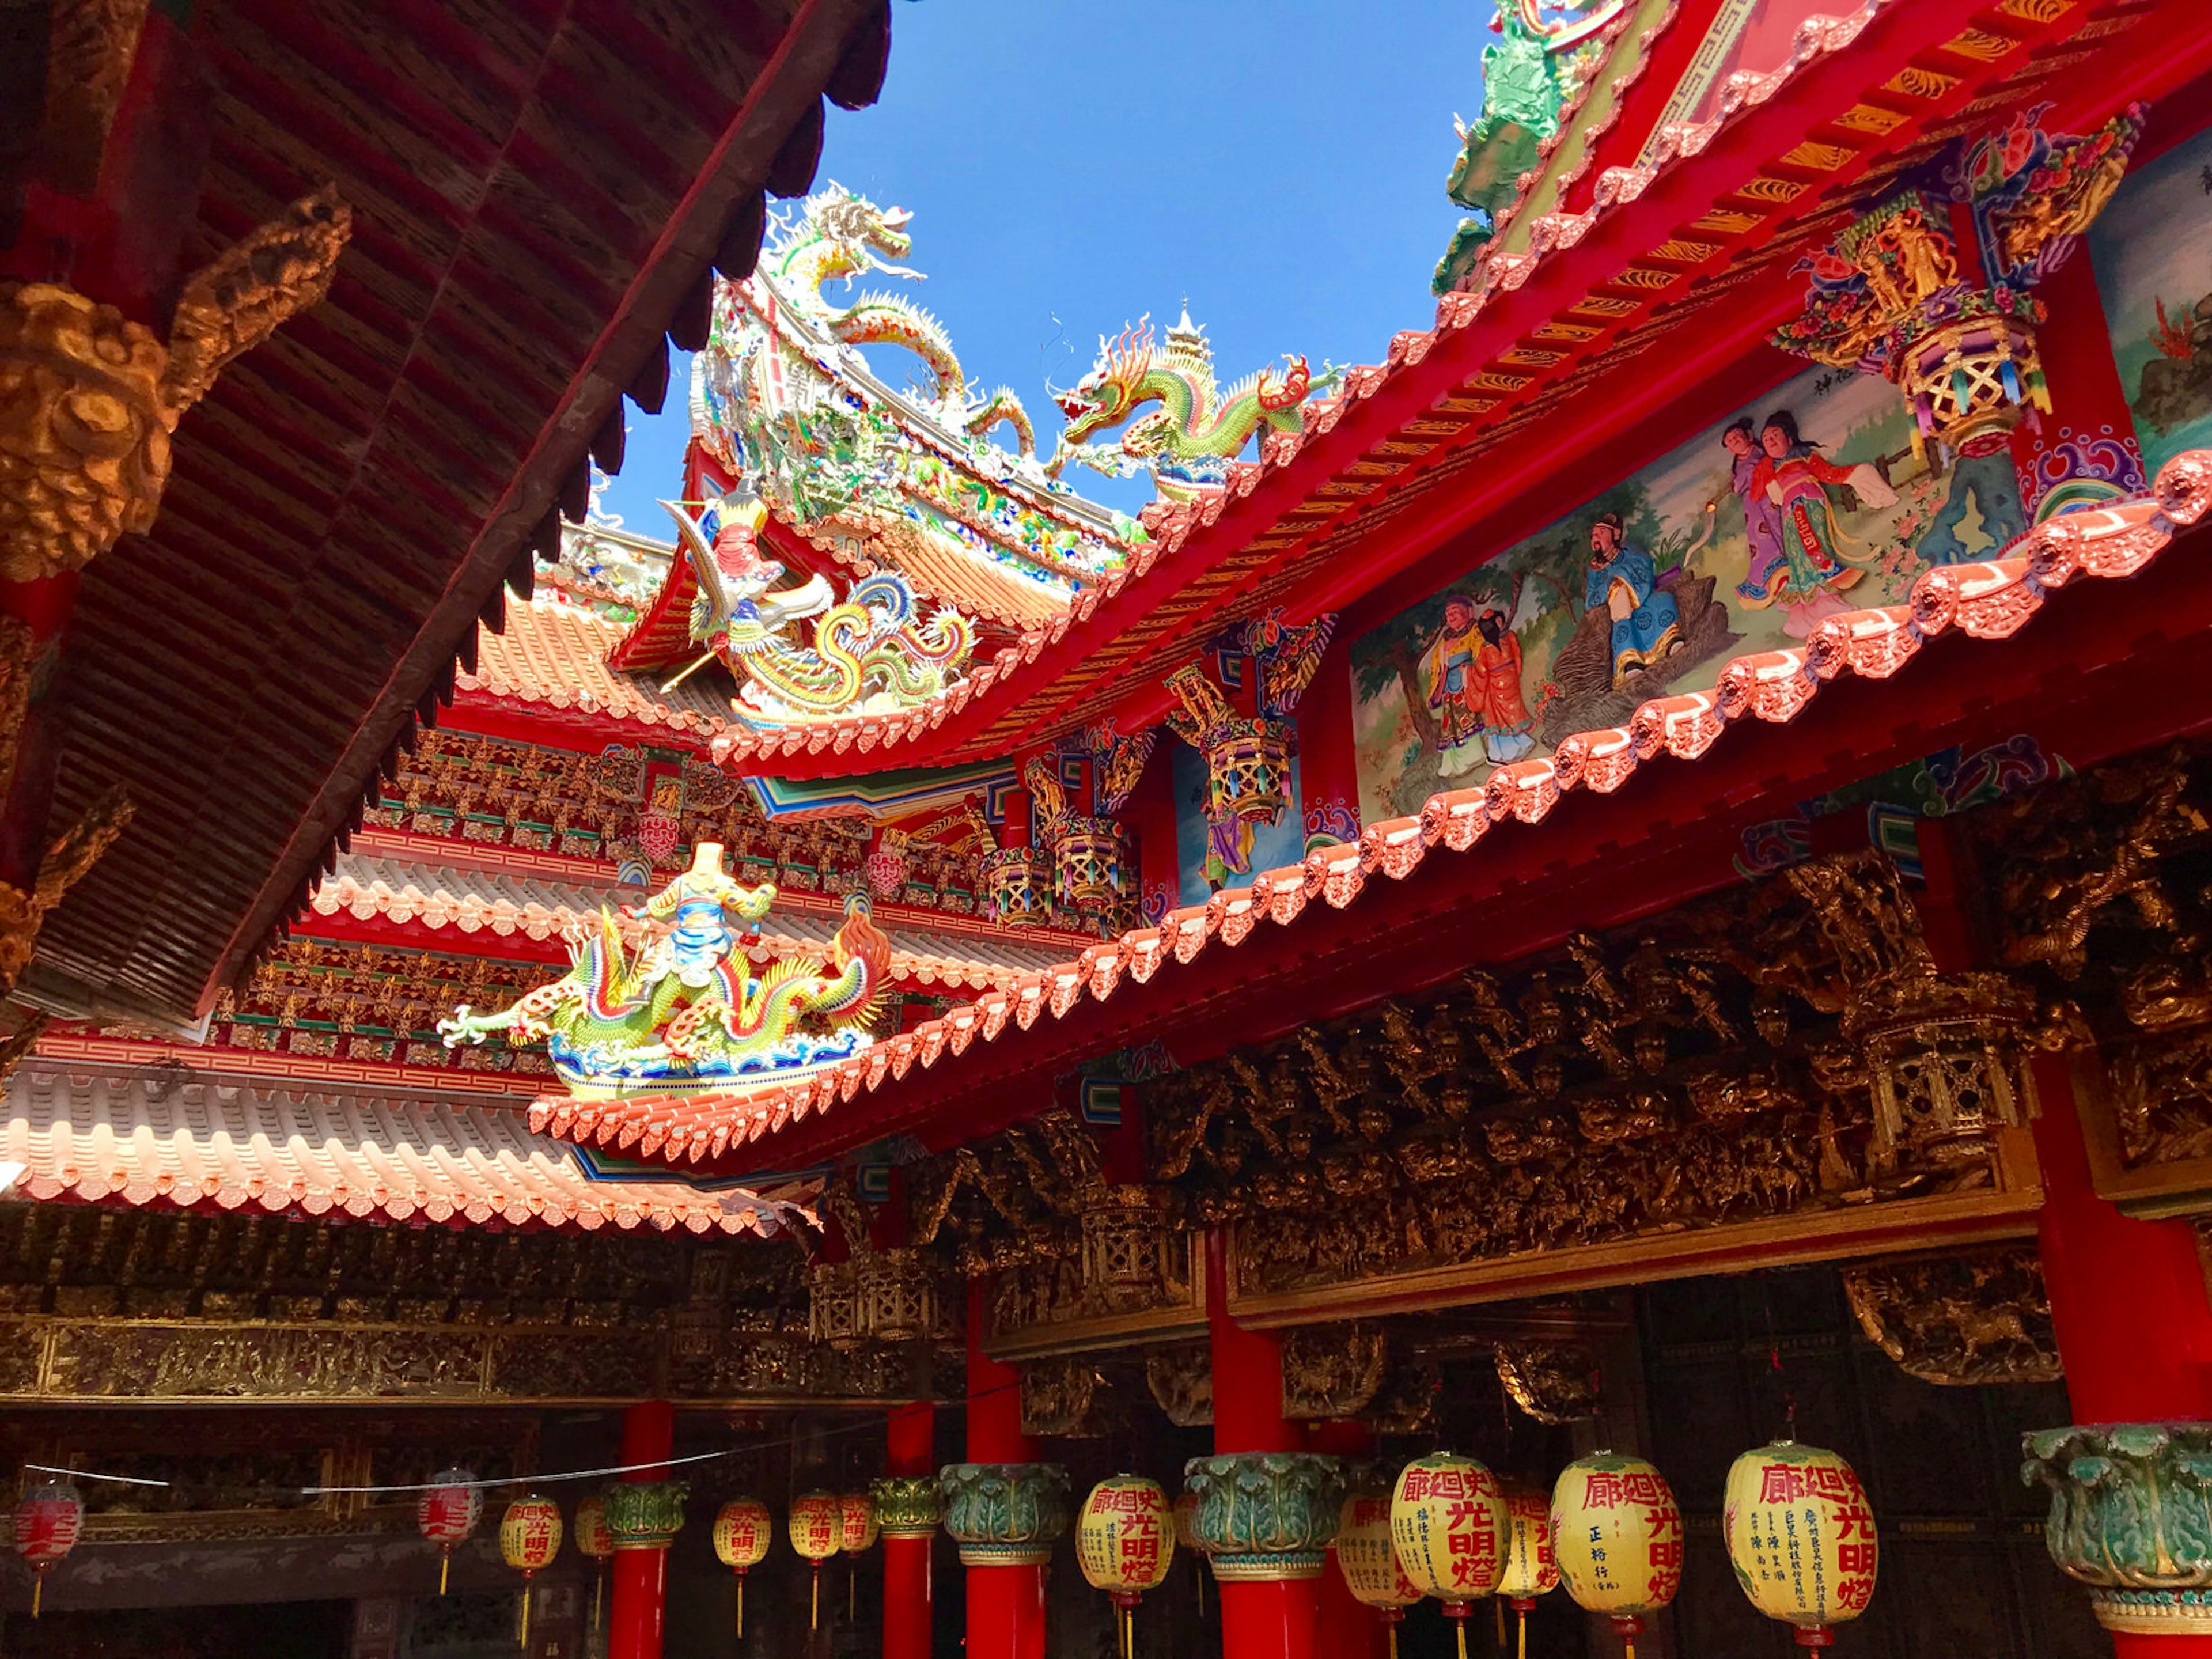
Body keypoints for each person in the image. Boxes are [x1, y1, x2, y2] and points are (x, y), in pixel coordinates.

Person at [1750, 410, 1896, 635]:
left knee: (1815, 549)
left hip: (1808, 504)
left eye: (1775, 435)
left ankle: (1828, 603)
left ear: (1789, 438)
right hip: (1789, 512)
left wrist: (1857, 474)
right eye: (1766, 439)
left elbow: (1829, 474)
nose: (1770, 441)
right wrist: (1763, 466)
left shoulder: (1805, 456)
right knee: (1797, 557)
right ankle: (1803, 614)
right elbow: (1757, 493)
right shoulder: (1771, 467)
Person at [1585, 513, 1681, 687]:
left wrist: (1622, 578)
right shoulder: (1594, 569)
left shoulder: (1629, 550)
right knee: (1621, 619)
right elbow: (1590, 599)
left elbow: (1643, 565)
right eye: (1593, 535)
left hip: (1643, 600)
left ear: (1615, 534)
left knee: (1664, 600)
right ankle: (1630, 661)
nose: (1596, 537)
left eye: (1601, 532)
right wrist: (1611, 586)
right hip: (1619, 613)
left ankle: (1670, 641)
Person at [1720, 417, 1788, 605]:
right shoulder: (1737, 465)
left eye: (1736, 437)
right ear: (1730, 449)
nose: (1735, 442)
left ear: (1748, 436)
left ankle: (1779, 559)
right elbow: (1736, 486)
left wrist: (1750, 476)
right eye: (1730, 442)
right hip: (1751, 504)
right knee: (1756, 537)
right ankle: (1761, 575)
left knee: (1773, 526)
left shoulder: (1758, 451)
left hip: (1765, 494)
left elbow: (1762, 469)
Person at [1423, 593, 1488, 752]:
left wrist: (1468, 669)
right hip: (1448, 689)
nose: (1451, 617)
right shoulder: (1443, 642)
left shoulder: (1475, 632)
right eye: (1448, 615)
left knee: (1468, 718)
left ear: (1470, 612)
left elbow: (1482, 656)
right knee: (1450, 721)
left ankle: (1475, 752)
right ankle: (1455, 762)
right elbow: (1436, 670)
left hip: (1467, 682)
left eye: (1455, 612)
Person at [1474, 608, 1536, 763]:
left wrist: (1467, 672)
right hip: (1510, 680)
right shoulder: (1508, 638)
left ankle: (1505, 753)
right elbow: (1517, 657)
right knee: (1510, 717)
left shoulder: (1486, 649)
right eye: (1498, 622)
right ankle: (1521, 744)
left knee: (1498, 720)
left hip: (1496, 685)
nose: (1501, 625)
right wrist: (1513, 673)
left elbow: (1481, 672)